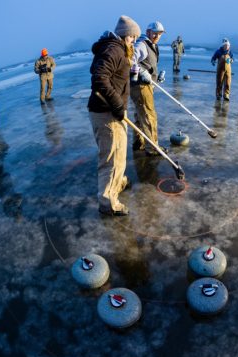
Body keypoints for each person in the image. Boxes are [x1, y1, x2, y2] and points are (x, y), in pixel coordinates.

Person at [88, 15, 140, 216]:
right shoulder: (114, 49)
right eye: (132, 37)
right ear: (124, 35)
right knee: (111, 158)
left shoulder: (118, 49)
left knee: (119, 154)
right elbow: (99, 78)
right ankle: (108, 202)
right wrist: (118, 104)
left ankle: (117, 183)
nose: (134, 41)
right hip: (106, 113)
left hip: (113, 111)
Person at [130, 21, 168, 156]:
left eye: (160, 34)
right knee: (149, 116)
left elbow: (147, 65)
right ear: (148, 32)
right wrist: (140, 71)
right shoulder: (142, 44)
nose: (157, 36)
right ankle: (152, 147)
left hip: (145, 85)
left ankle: (138, 143)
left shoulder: (152, 45)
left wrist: (157, 78)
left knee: (140, 115)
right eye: (155, 33)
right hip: (140, 86)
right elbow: (129, 60)